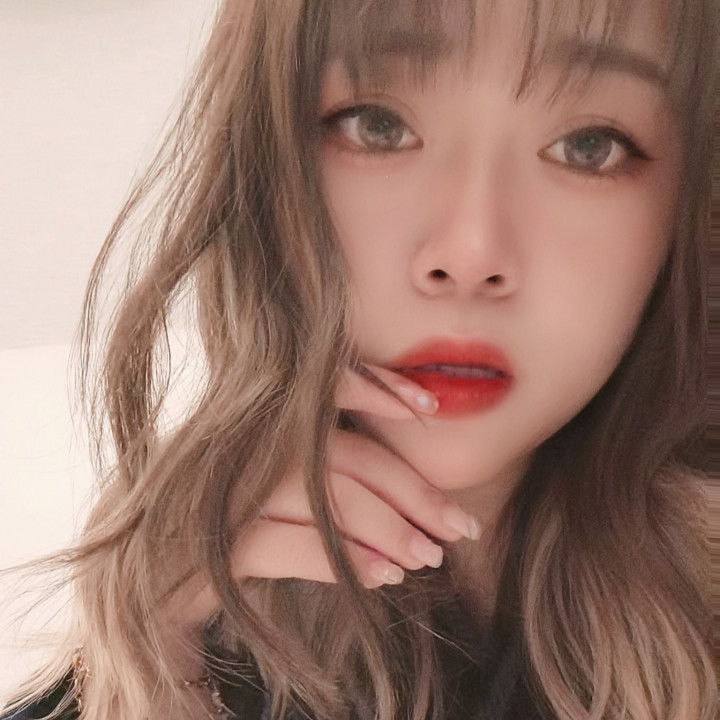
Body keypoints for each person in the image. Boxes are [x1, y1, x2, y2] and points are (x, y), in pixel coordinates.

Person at [3, 0, 717, 718]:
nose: (470, 255)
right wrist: (153, 669)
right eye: (378, 127)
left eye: (589, 147)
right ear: (262, 168)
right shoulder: (189, 606)